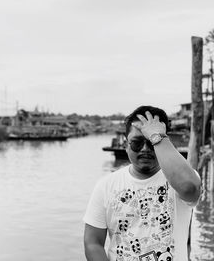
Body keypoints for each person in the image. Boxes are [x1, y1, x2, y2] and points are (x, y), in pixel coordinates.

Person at [83, 105, 201, 261]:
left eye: (151, 142)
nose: (145, 149)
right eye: (137, 143)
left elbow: (189, 188)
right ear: (126, 145)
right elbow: (93, 242)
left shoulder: (179, 179)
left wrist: (157, 135)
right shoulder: (106, 185)